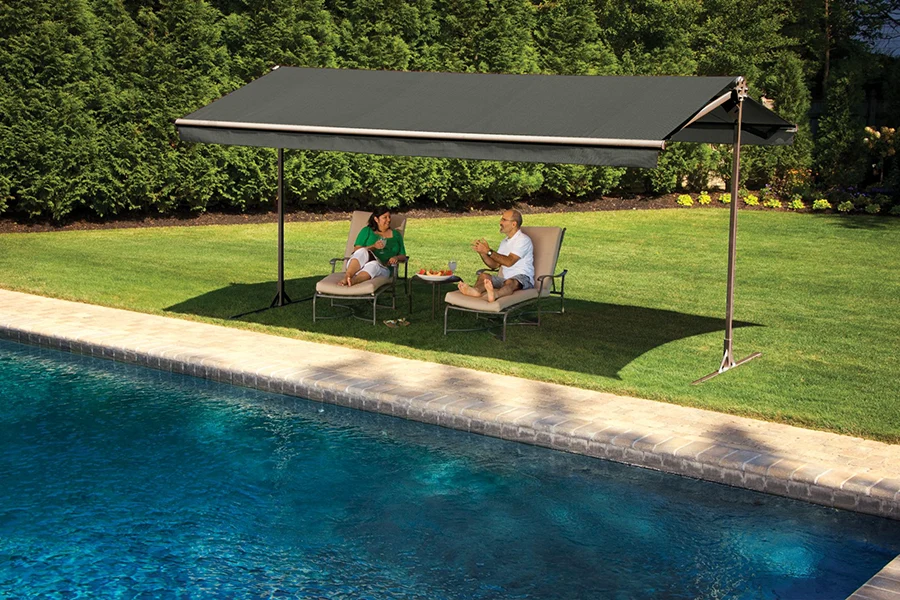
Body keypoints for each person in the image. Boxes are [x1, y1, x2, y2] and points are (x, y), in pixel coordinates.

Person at [457, 209, 533, 302]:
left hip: (522, 278)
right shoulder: (504, 242)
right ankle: (476, 291)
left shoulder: (523, 240)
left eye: (504, 220)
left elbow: (509, 262)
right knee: (484, 276)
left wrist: (488, 251)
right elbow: (495, 265)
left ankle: (495, 294)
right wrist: (483, 253)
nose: (500, 222)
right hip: (504, 279)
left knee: (510, 282)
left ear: (514, 224)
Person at [339, 207, 407, 286]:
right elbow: (356, 250)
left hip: (383, 268)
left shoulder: (396, 235)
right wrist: (373, 246)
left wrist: (396, 258)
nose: (388, 220)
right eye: (385, 217)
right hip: (359, 265)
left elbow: (403, 255)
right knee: (363, 251)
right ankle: (348, 276)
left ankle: (353, 281)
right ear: (376, 219)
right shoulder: (367, 231)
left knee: (374, 265)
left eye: (389, 217)